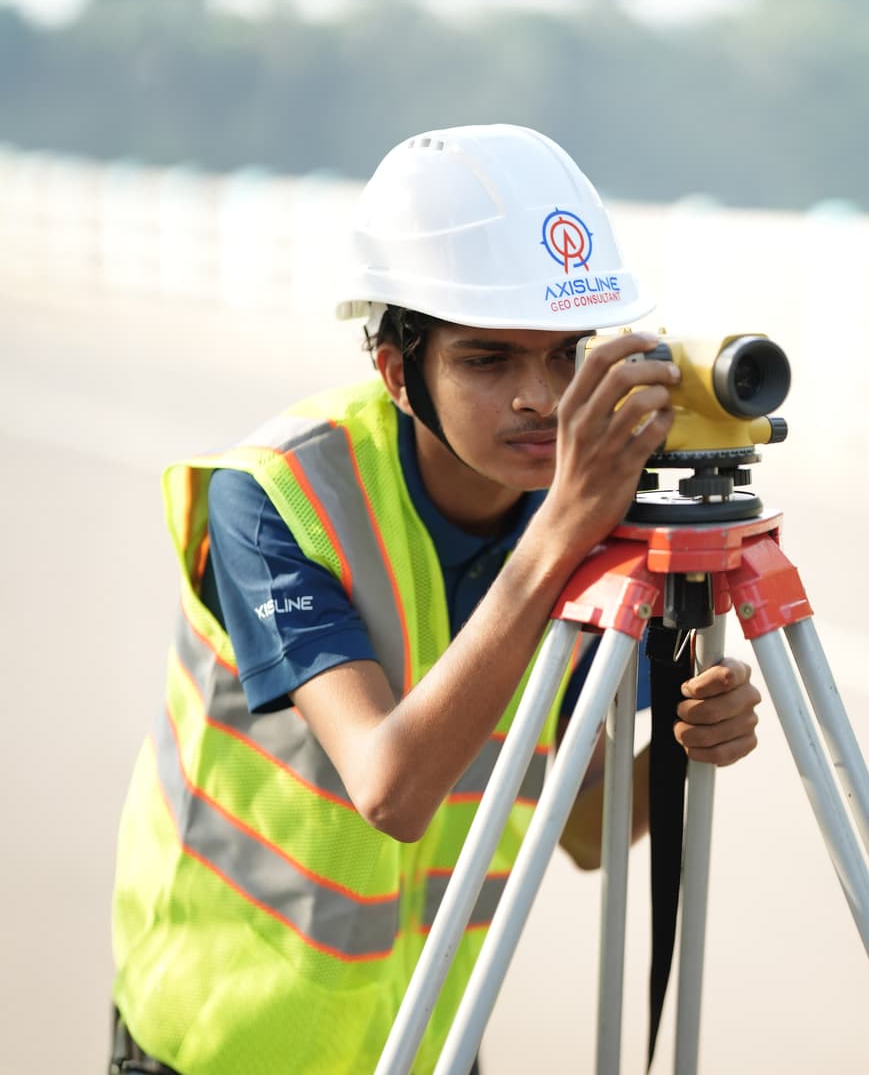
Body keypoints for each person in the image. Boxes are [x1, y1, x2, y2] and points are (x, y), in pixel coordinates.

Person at [109, 123, 761, 1075]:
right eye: (487, 360)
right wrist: (560, 536)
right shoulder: (277, 498)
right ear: (395, 366)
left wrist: (679, 749)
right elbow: (391, 790)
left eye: (567, 355)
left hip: (427, 1046)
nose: (540, 399)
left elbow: (584, 831)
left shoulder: (589, 522)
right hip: (221, 1043)